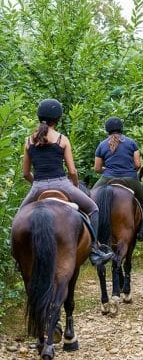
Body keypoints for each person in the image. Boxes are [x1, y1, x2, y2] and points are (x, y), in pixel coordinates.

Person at [20, 98, 114, 266]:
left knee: (19, 217)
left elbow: (25, 173)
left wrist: (37, 184)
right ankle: (94, 250)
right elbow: (72, 171)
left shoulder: (28, 141)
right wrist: (74, 186)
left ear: (39, 116)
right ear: (58, 118)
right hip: (62, 184)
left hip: (37, 186)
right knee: (93, 208)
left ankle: (19, 255)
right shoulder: (62, 139)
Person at [93, 116, 143, 241]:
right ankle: (142, 232)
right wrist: (127, 170)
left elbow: (97, 168)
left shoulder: (102, 145)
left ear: (107, 130)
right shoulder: (132, 143)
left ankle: (92, 235)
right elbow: (138, 165)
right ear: (121, 129)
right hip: (130, 178)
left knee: (90, 199)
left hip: (107, 178)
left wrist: (107, 169)